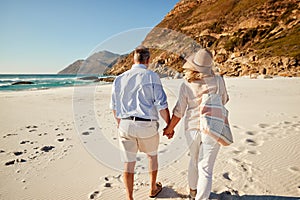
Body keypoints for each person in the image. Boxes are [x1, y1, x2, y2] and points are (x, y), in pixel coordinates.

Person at [163, 49, 229, 199]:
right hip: (213, 127)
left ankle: (193, 192)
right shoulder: (219, 80)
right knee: (206, 167)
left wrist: (169, 128)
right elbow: (224, 100)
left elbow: (179, 111)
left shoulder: (186, 84)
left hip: (192, 128)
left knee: (194, 160)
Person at [110, 46, 171, 200]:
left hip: (125, 124)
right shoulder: (152, 76)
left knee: (128, 163)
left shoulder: (119, 78)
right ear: (148, 60)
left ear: (134, 59)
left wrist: (121, 124)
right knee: (152, 156)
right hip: (147, 125)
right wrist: (169, 126)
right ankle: (152, 188)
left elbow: (114, 107)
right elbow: (162, 105)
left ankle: (130, 197)